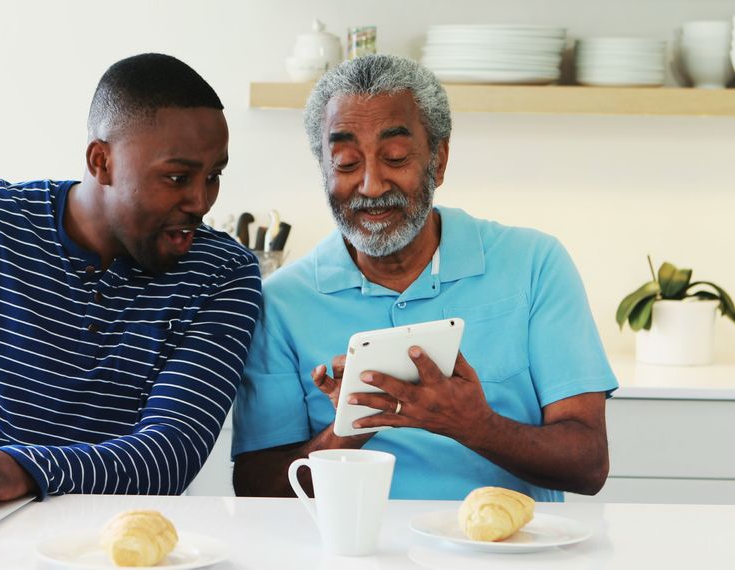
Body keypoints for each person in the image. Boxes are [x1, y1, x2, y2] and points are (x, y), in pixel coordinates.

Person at [231, 54, 617, 502]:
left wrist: (473, 423)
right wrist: (350, 428)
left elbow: (588, 465)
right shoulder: (280, 301)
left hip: (504, 549)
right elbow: (257, 491)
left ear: (439, 160)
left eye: (395, 157)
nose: (372, 185)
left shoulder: (535, 263)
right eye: (346, 162)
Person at [0, 53, 261, 507]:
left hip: (121, 541)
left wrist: (29, 469)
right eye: (177, 176)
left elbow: (170, 454)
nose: (200, 200)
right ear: (101, 161)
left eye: (213, 176)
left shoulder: (225, 273)